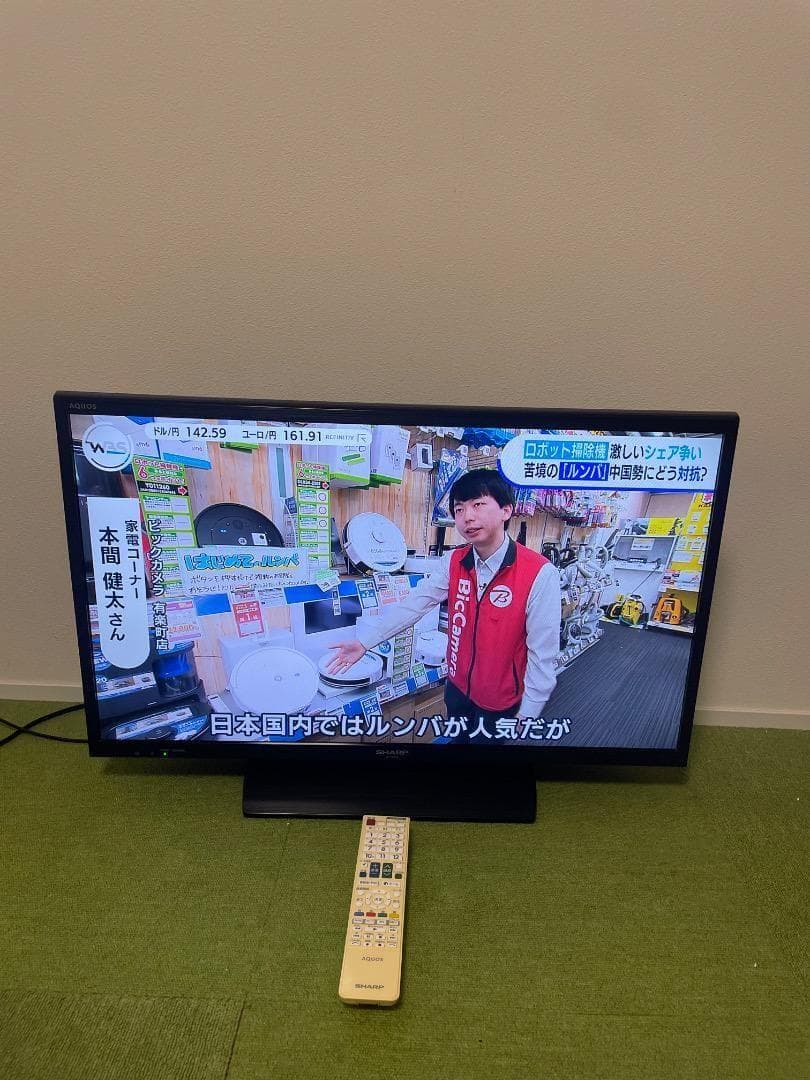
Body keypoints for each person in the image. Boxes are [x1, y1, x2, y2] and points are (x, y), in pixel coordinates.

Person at [325, 469, 561, 739]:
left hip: (501, 702)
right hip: (457, 689)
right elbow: (415, 605)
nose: (467, 517)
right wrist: (365, 642)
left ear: (506, 510)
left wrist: (528, 713)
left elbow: (543, 654)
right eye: (459, 509)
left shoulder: (539, 573)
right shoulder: (454, 561)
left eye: (478, 505)